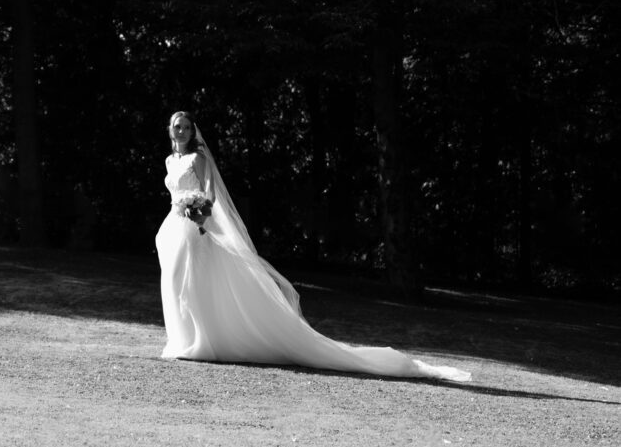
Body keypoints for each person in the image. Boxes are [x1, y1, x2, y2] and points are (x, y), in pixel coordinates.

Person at [155, 111, 471, 382]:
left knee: (191, 282)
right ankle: (183, 338)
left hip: (195, 226)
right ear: (170, 130)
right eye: (176, 126)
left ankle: (199, 341)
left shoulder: (198, 158)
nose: (181, 131)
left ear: (193, 131)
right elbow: (175, 193)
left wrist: (199, 214)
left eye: (186, 127)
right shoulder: (171, 160)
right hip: (174, 225)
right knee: (174, 282)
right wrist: (183, 208)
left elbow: (210, 194)